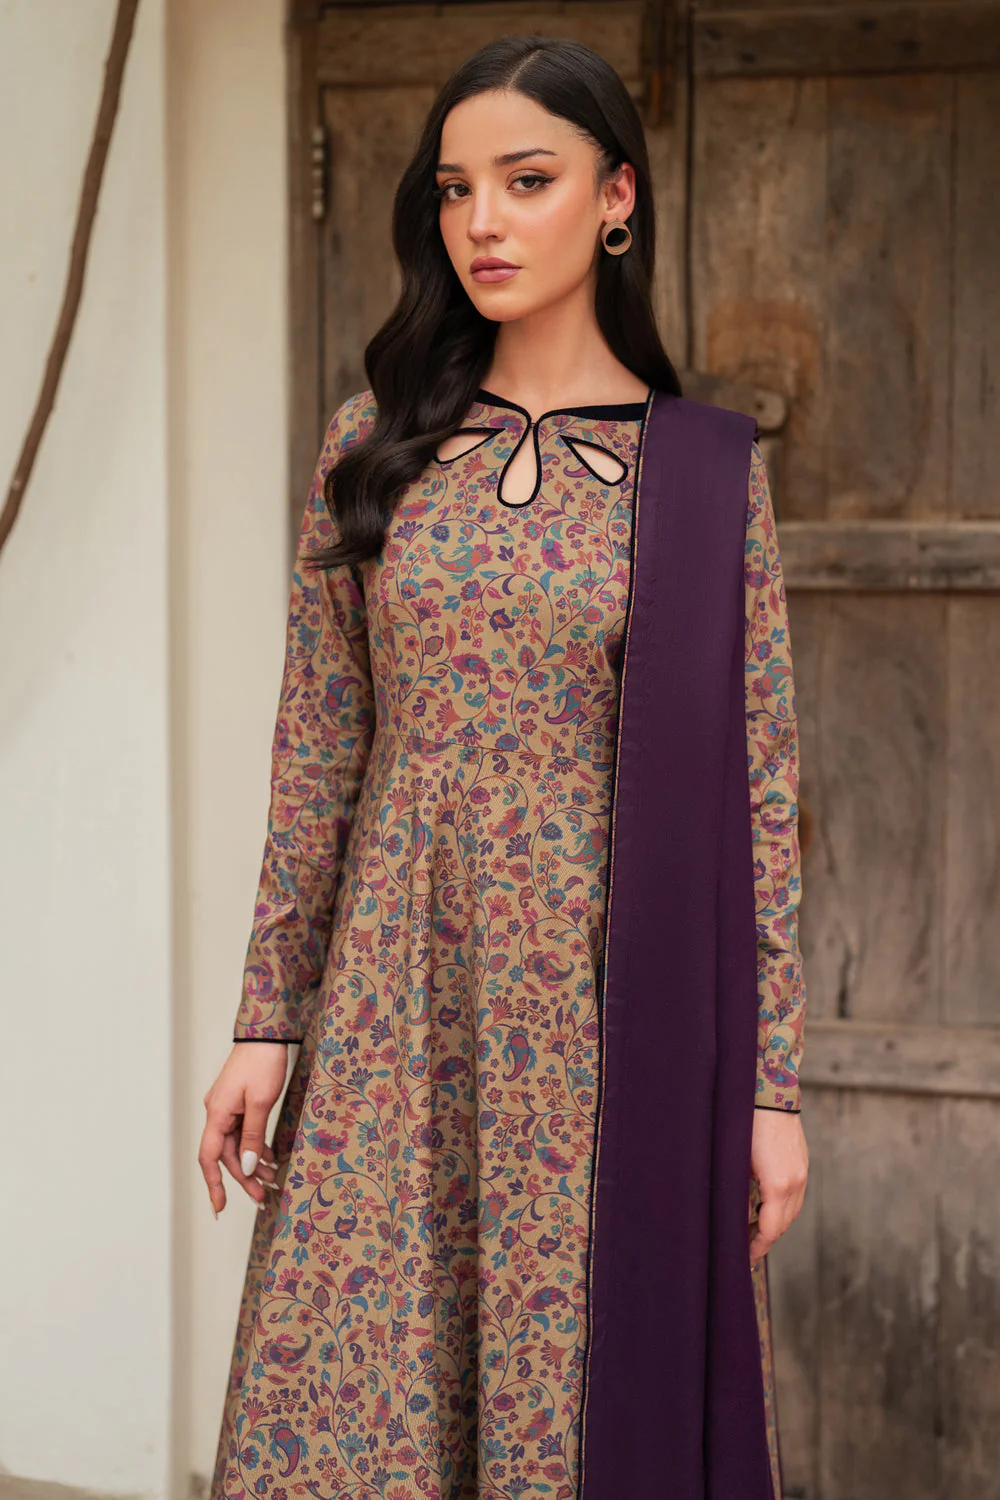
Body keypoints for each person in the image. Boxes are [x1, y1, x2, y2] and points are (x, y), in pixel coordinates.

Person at [199, 33, 808, 1500]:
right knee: (347, 1410)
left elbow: (761, 795)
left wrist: (773, 1088)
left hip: (606, 1024)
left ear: (616, 196)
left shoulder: (702, 475)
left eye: (526, 181)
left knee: (572, 1414)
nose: (482, 221)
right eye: (456, 187)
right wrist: (268, 1018)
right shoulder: (375, 448)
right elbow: (318, 747)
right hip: (394, 1003)